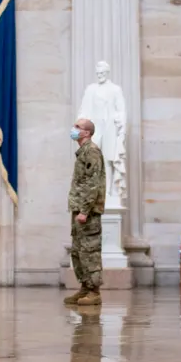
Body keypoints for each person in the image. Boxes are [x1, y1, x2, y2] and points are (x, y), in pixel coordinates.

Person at [64, 119, 106, 306]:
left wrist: (84, 211)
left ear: (87, 133)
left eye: (78, 127)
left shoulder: (92, 151)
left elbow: (93, 184)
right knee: (78, 251)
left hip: (86, 212)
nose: (74, 129)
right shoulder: (82, 152)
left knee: (90, 250)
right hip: (79, 209)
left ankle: (94, 292)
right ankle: (85, 287)